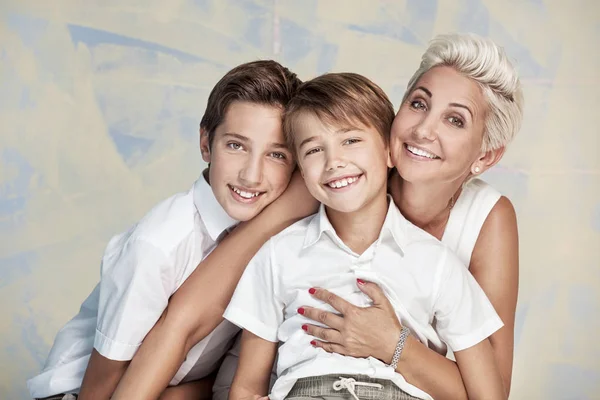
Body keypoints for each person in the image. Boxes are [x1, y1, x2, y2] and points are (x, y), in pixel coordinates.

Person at [111, 33, 523, 400]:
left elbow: (489, 390)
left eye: (454, 120)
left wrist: (391, 344)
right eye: (418, 104)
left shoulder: (470, 235)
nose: (422, 130)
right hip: (274, 365)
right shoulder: (324, 185)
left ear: (485, 156)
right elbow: (191, 316)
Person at [27, 60, 303, 400]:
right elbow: (103, 380)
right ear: (205, 143)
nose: (251, 175)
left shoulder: (273, 232)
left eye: (276, 154)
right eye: (236, 145)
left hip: (174, 386)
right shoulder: (158, 245)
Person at [225, 72, 506, 400]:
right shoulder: (277, 254)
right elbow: (247, 385)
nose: (334, 162)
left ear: (390, 153)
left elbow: (488, 395)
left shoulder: (437, 263)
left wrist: (395, 346)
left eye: (351, 141)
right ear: (301, 168)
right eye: (315, 150)